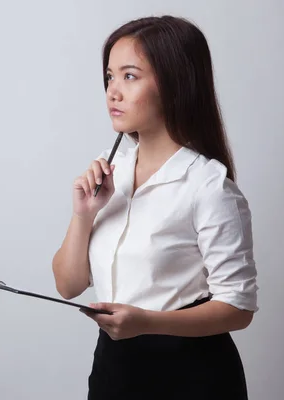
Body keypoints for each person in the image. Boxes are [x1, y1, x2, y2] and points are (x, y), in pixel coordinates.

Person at [52, 15, 259, 399]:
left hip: (191, 377)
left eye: (130, 76)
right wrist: (84, 215)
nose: (113, 91)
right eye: (110, 77)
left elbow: (238, 307)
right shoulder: (109, 173)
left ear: (175, 84)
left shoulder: (208, 186)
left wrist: (146, 322)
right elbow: (68, 285)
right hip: (114, 370)